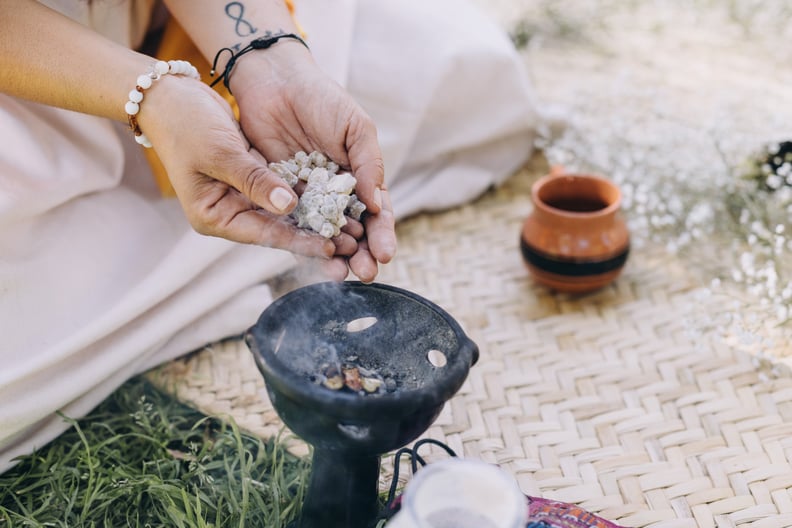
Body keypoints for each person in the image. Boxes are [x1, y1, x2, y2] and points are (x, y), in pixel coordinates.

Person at [0, 0, 543, 472]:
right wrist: (155, 96)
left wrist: (270, 63)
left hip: (194, 28)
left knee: (475, 73)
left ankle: (191, 259)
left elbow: (265, 55)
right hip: (32, 71)